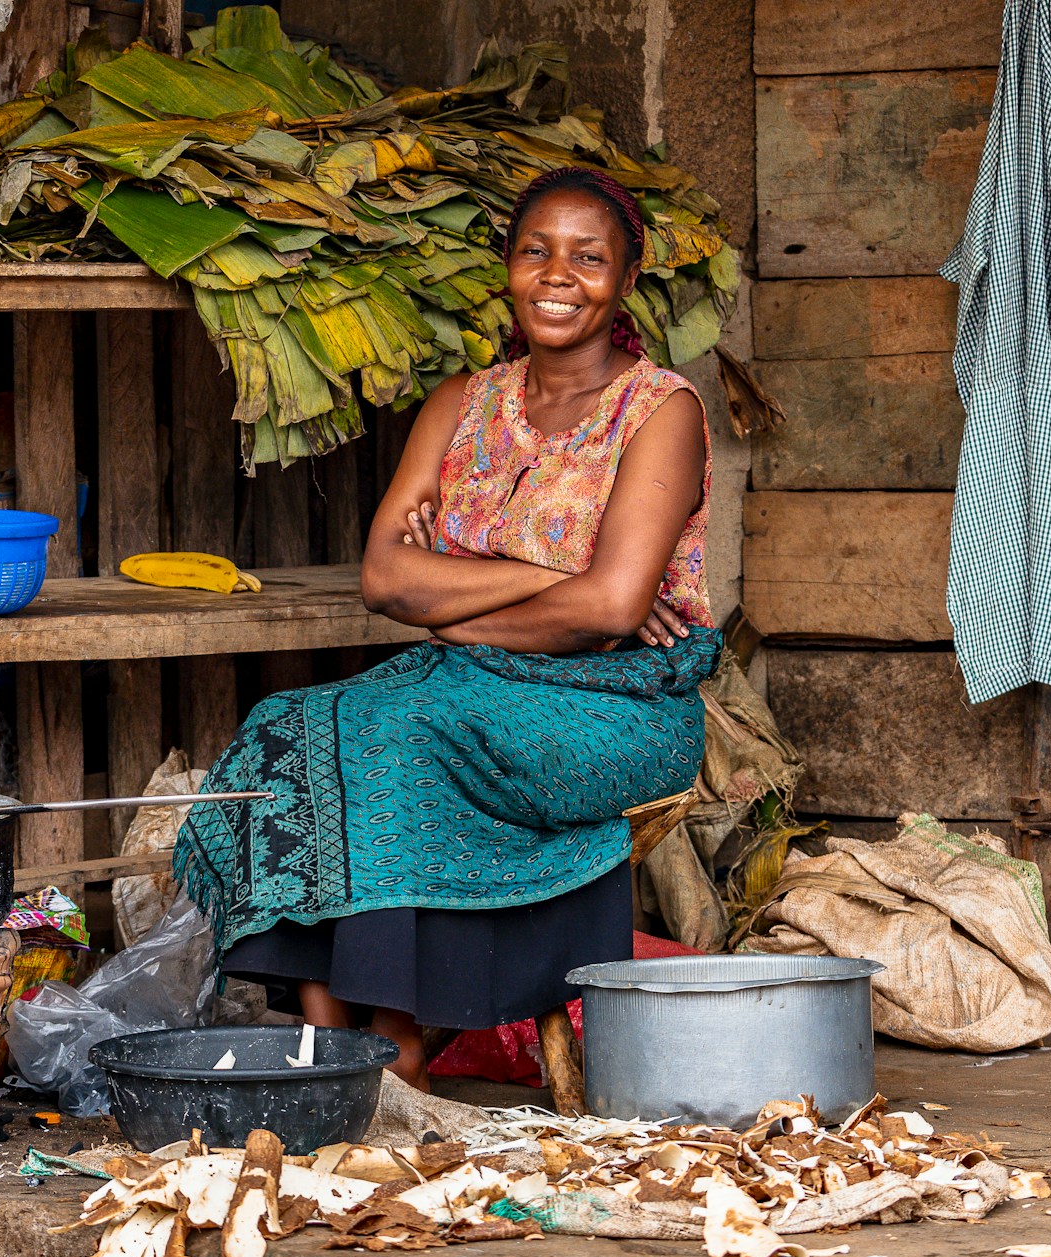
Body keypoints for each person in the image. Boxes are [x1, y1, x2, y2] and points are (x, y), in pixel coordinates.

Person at [174, 166, 722, 1088]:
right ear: (507, 268)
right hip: (465, 681)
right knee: (285, 725)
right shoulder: (462, 406)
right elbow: (387, 577)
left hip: (621, 708)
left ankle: (401, 1048)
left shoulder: (660, 412)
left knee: (396, 732)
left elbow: (614, 612)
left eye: (589, 259)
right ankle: (332, 1042)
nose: (559, 275)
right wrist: (554, 573)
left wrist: (461, 600)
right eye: (536, 252)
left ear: (626, 280)